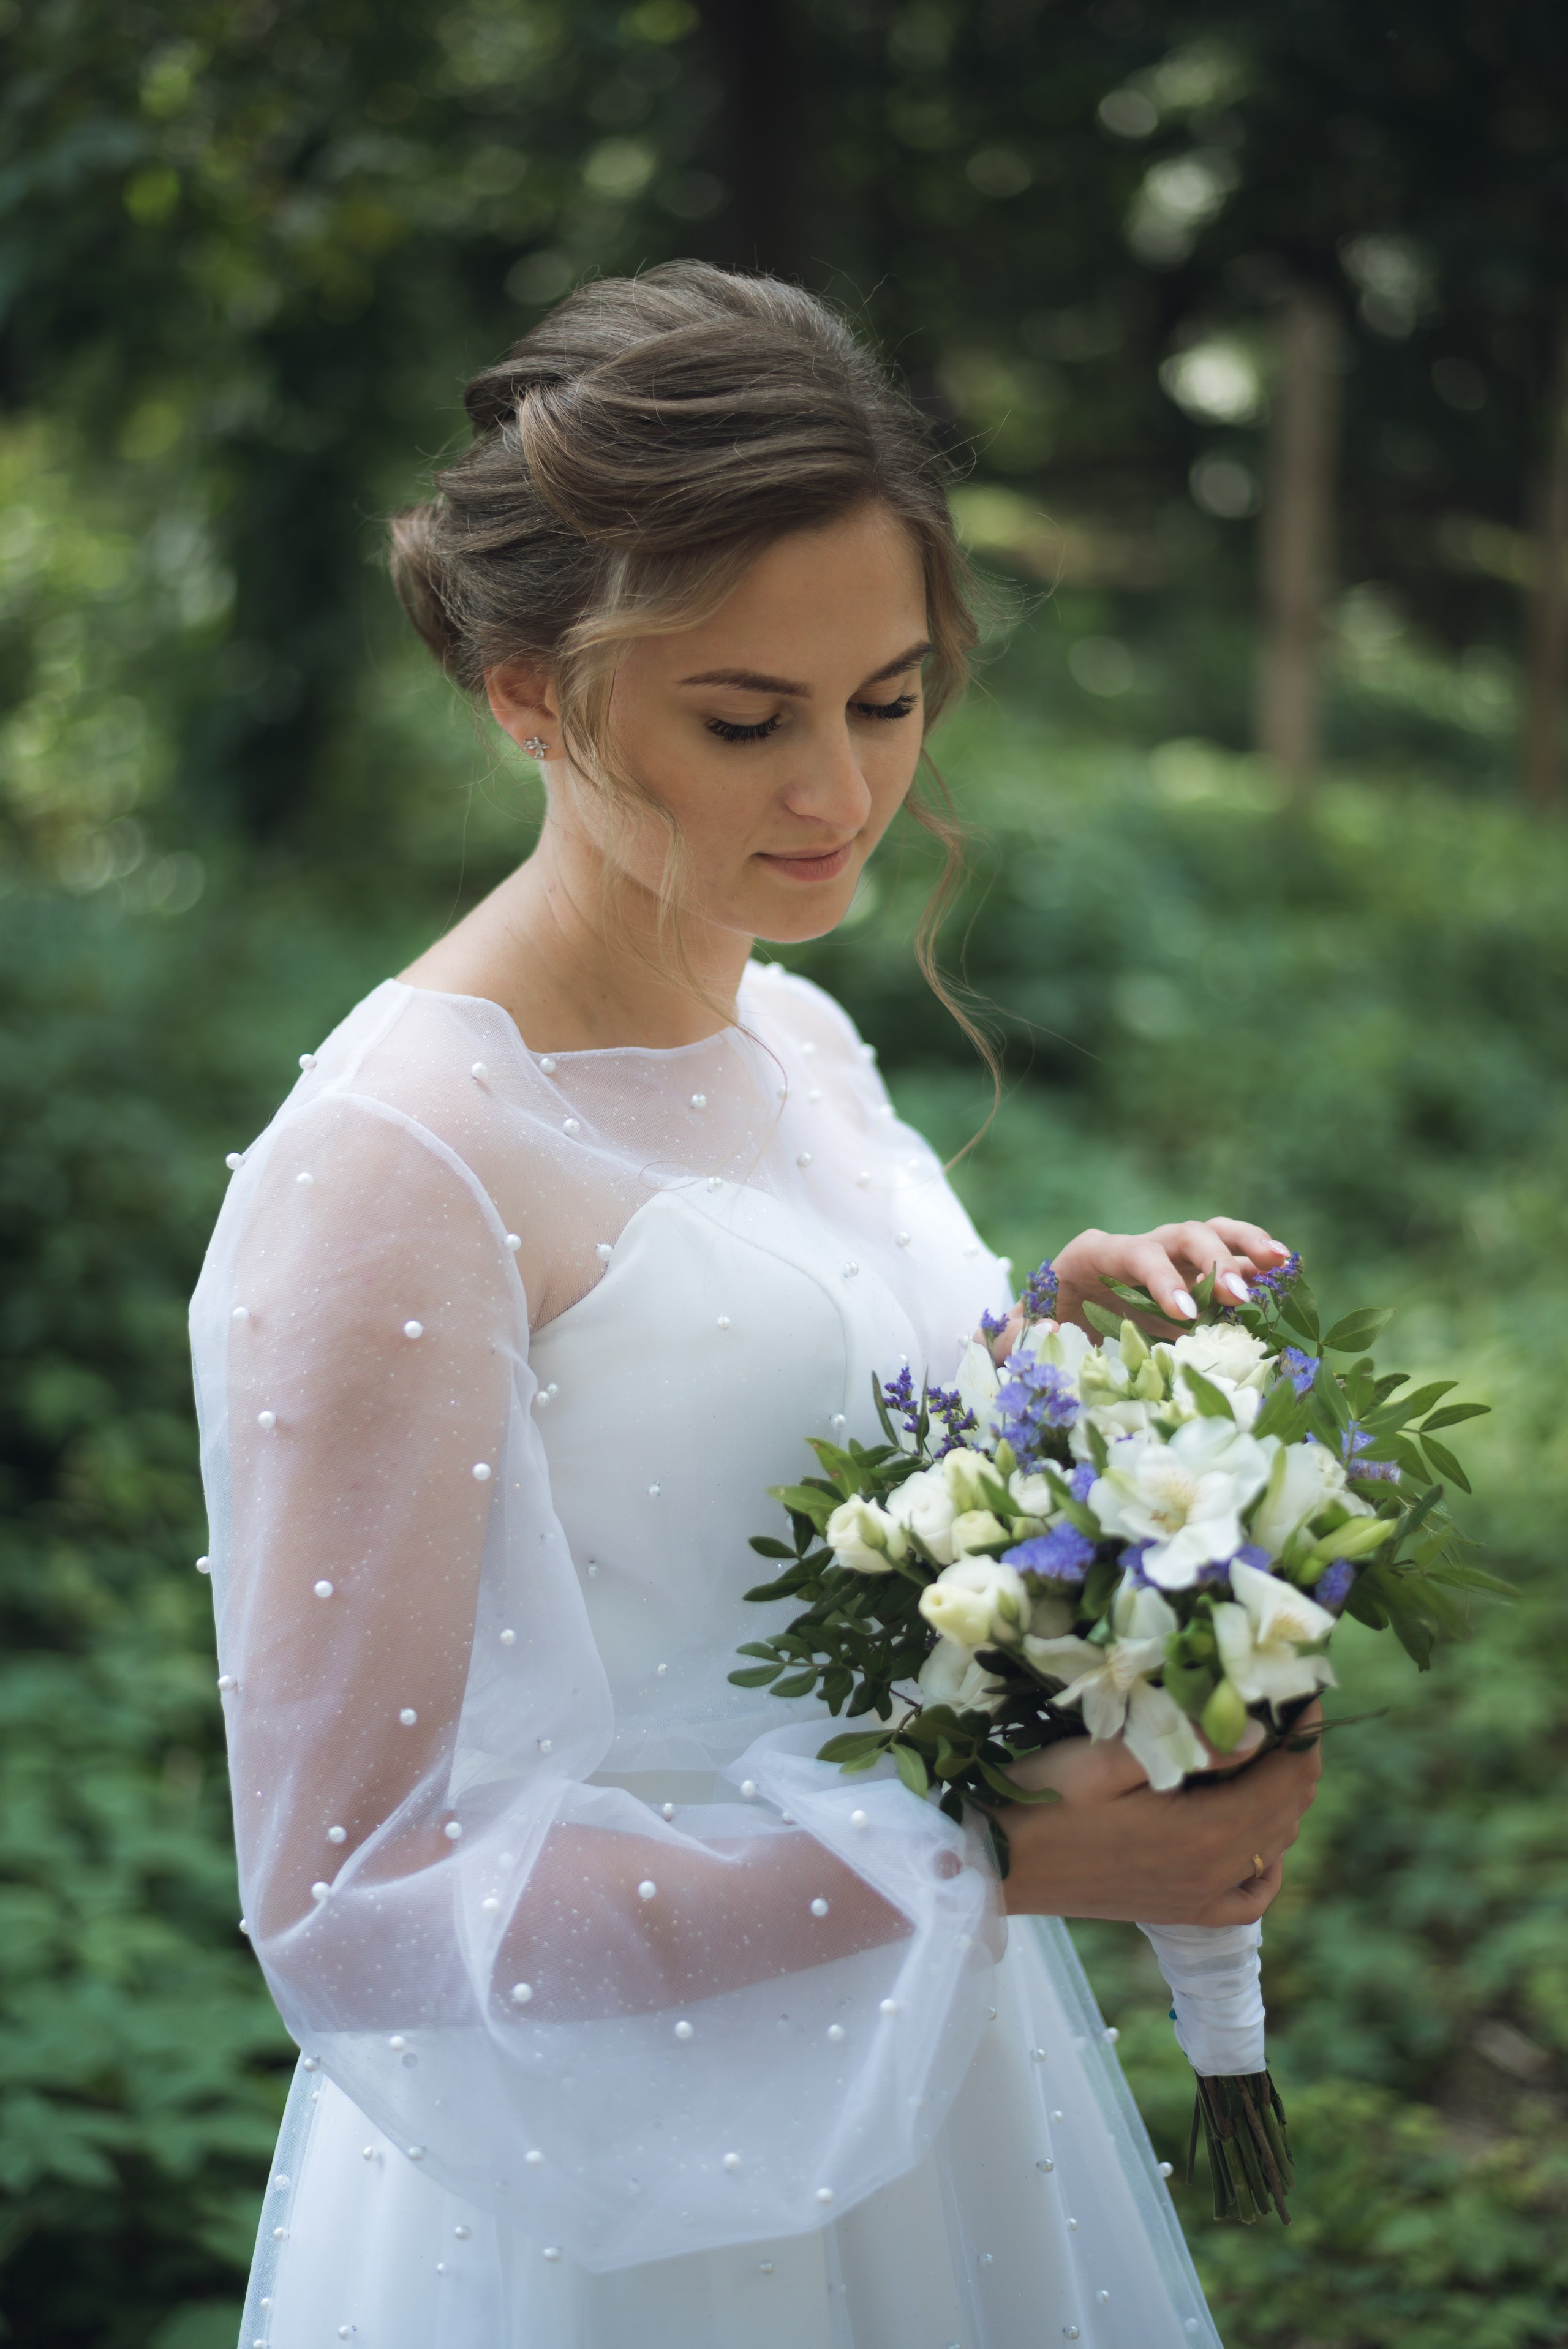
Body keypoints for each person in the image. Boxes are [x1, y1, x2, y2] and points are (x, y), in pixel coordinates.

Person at [192, 263, 1320, 2349]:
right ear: (530, 695)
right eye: (747, 719)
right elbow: (352, 1906)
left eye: (887, 699)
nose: (841, 792)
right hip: (621, 2197)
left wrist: (1053, 1370)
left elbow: (761, 1493)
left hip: (933, 2089)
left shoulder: (790, 1029)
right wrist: (973, 1857)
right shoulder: (396, 1163)